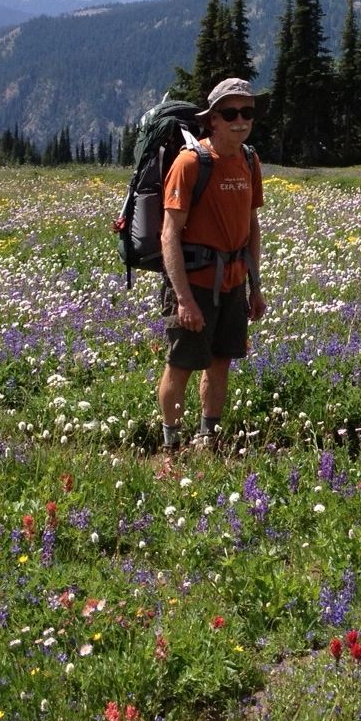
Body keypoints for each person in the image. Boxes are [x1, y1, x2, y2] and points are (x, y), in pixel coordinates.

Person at [157, 77, 266, 450]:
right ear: (213, 120)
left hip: (234, 283)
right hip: (195, 284)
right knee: (182, 364)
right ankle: (171, 444)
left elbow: (251, 224)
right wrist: (184, 299)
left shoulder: (250, 160)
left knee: (222, 363)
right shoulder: (190, 164)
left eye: (247, 112)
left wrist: (255, 286)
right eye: (231, 112)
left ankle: (209, 439)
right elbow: (169, 235)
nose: (241, 120)